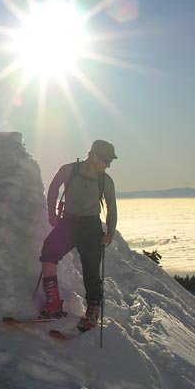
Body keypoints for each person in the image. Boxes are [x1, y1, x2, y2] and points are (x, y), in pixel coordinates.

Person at [38, 139, 118, 332]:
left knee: (91, 270)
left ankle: (92, 311)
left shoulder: (105, 180)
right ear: (93, 155)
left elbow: (111, 207)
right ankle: (53, 303)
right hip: (68, 223)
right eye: (106, 160)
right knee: (48, 253)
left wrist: (110, 233)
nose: (108, 165)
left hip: (91, 226)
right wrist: (52, 213)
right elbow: (53, 187)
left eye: (110, 162)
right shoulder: (70, 170)